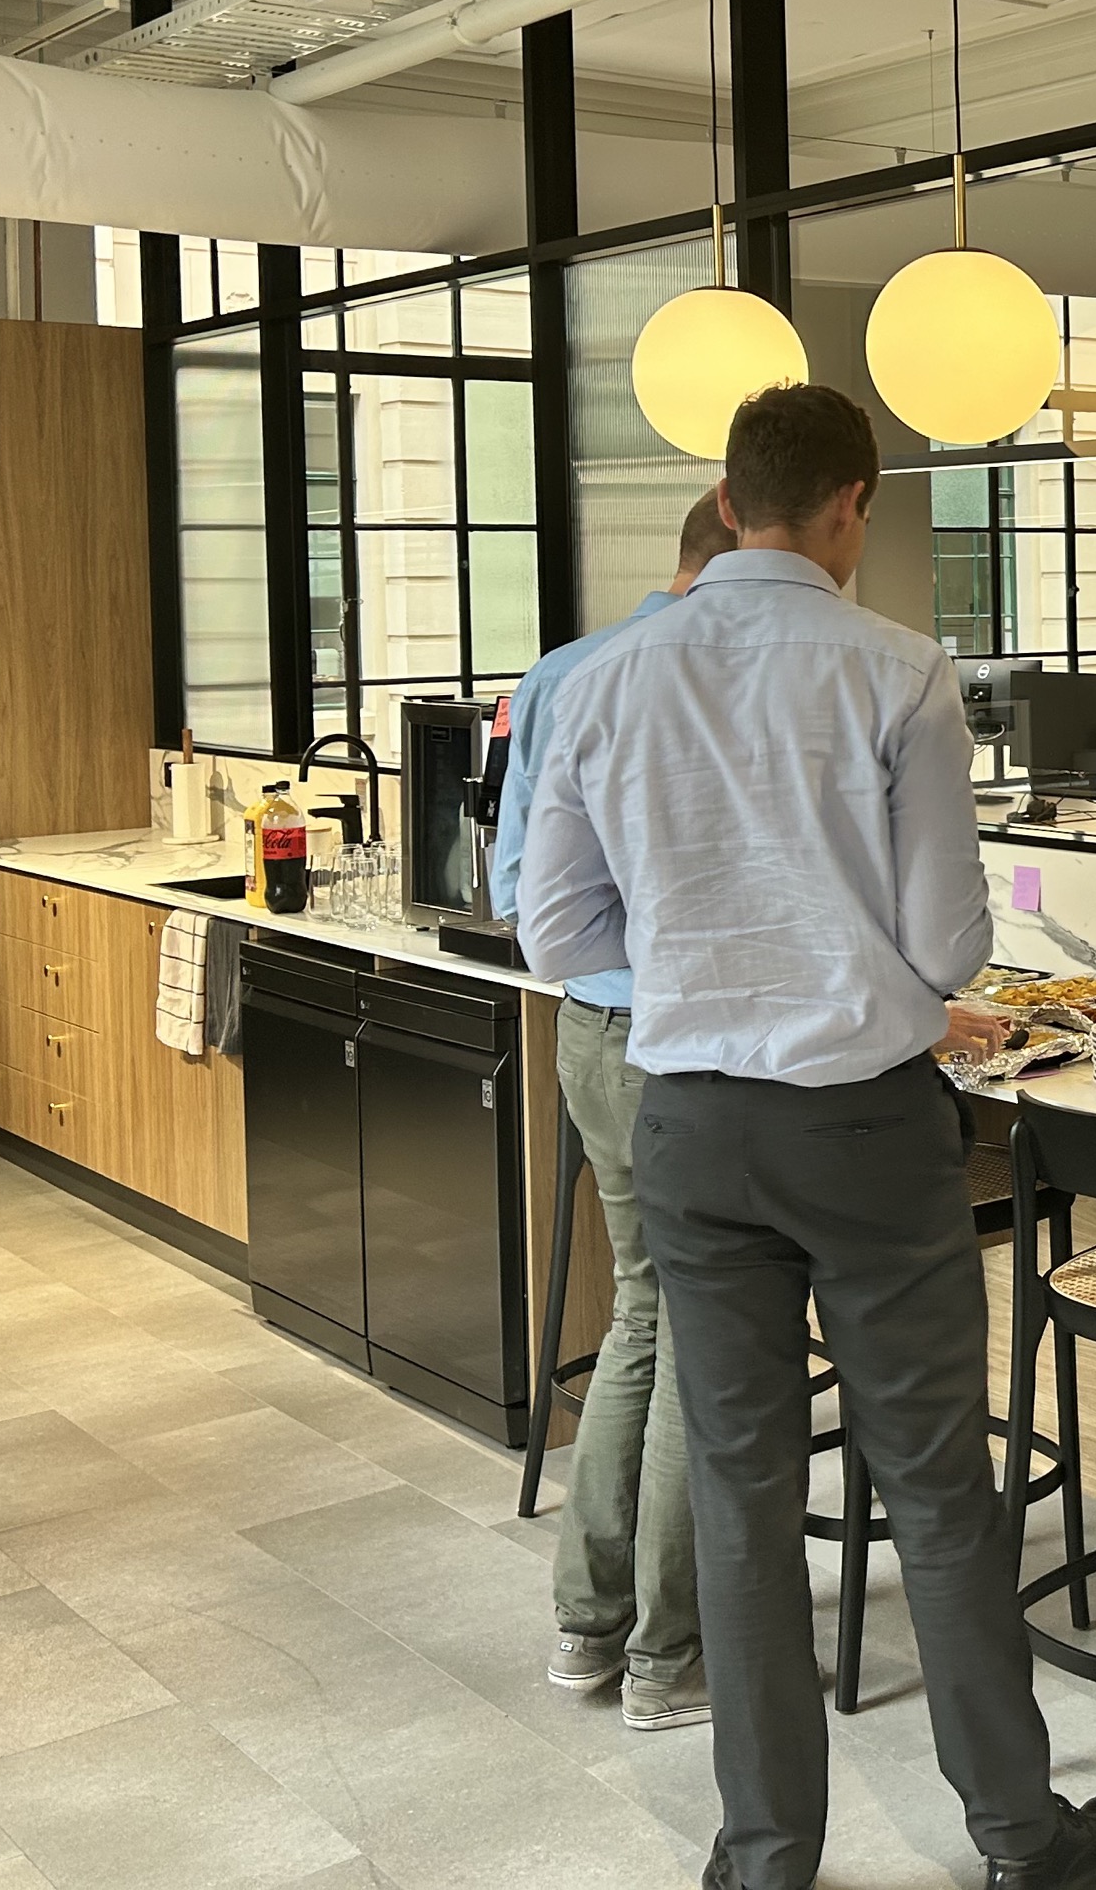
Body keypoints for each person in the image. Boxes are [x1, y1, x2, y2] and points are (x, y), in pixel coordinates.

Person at [517, 383, 1096, 1890]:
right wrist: (834, 967)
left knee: (741, 1494)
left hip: (694, 1125)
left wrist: (716, 962)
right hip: (864, 1130)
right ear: (855, 506)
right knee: (936, 1486)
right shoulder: (900, 671)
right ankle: (1018, 1837)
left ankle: (766, 1855)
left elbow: (557, 933)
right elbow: (946, 946)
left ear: (728, 503)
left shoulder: (596, 679)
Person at [489, 486, 732, 1733]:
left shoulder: (561, 673)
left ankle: (589, 1625)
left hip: (589, 1031)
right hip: (686, 1047)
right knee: (694, 1332)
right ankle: (664, 1655)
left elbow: (517, 889)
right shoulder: (720, 675)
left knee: (646, 1309)